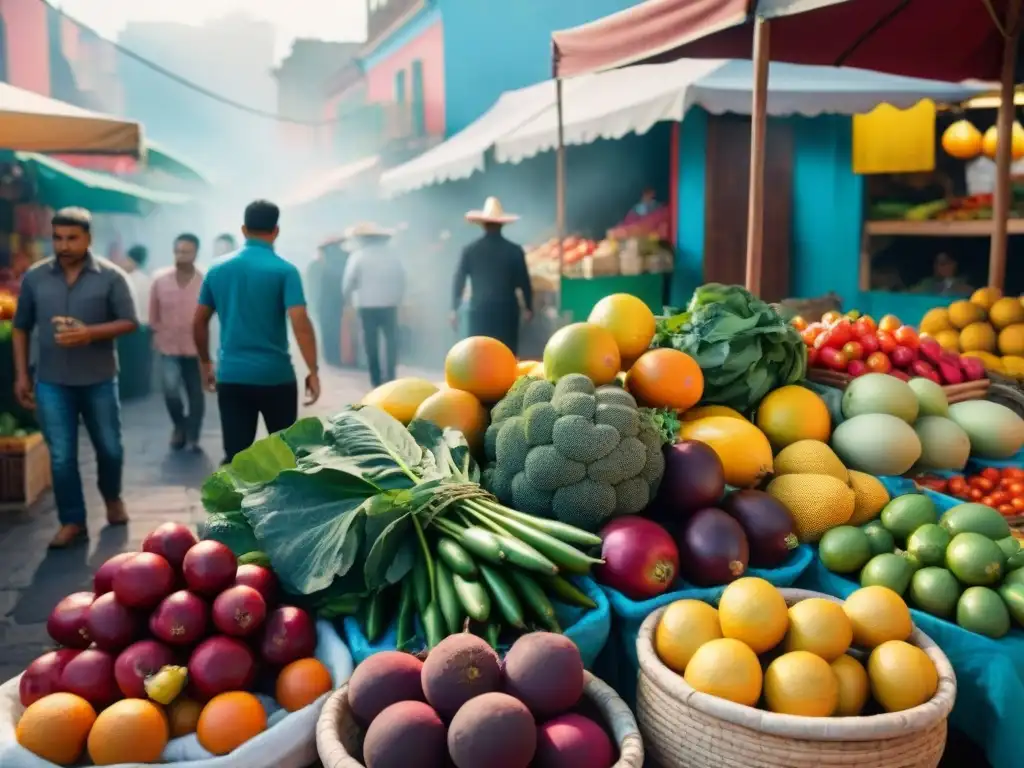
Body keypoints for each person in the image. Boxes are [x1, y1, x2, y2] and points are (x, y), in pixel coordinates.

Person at [12, 207, 138, 548]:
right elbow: (21, 327)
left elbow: (130, 322)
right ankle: (72, 520)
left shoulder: (111, 277)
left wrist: (90, 333)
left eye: (72, 238)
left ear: (89, 239)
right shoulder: (36, 278)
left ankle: (112, 498)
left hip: (99, 378)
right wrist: (22, 374)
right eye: (58, 238)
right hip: (51, 380)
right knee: (61, 456)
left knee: (110, 449)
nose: (64, 245)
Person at [194, 200, 320, 464]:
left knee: (237, 458)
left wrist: (205, 362)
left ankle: (239, 504)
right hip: (276, 376)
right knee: (286, 457)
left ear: (243, 229)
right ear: (276, 231)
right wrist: (313, 370)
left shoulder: (217, 270)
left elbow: (198, 321)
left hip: (232, 376)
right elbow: (300, 322)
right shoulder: (285, 270)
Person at [450, 197, 532, 353]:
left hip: (480, 310)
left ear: (483, 224)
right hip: (507, 311)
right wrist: (529, 307)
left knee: (480, 356)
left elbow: (458, 280)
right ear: (501, 224)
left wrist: (454, 308)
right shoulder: (514, 250)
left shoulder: (470, 250)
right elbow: (524, 281)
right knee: (506, 355)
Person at [150, 233, 205, 452]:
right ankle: (179, 426)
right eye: (178, 251)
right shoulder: (160, 281)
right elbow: (153, 315)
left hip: (196, 348)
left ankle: (193, 435)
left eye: (186, 252)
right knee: (171, 390)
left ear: (195, 253)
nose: (181, 256)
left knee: (195, 393)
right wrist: (159, 334)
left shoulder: (205, 282)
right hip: (168, 347)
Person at [342, 222, 405, 387]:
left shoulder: (358, 256)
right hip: (390, 303)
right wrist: (399, 298)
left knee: (371, 343)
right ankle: (391, 375)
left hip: (366, 305)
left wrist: (347, 299)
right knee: (391, 341)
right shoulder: (393, 256)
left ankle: (375, 379)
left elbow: (349, 282)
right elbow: (401, 279)